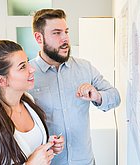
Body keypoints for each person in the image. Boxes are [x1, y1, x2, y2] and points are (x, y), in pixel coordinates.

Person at [29, 9, 121, 165]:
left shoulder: (85, 68)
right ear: (39, 37)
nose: (65, 38)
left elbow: (115, 97)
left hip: (85, 161)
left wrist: (97, 96)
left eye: (66, 32)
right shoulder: (27, 75)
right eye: (57, 33)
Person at [0, 40, 64, 165]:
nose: (32, 69)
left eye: (27, 62)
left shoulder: (28, 101)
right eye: (22, 66)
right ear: (2, 81)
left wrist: (48, 147)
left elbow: (27, 149)